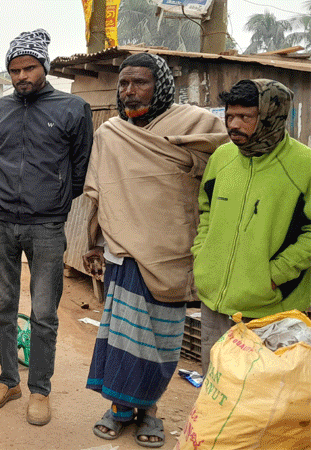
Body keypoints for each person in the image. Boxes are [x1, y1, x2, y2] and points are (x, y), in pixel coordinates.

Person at [81, 53, 229, 447]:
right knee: (121, 337)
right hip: (123, 253)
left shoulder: (198, 125)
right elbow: (99, 195)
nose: (129, 91)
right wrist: (92, 242)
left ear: (160, 85)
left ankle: (149, 411)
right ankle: (118, 410)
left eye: (140, 83)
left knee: (161, 342)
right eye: (124, 84)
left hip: (172, 253)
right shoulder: (111, 133)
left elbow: (226, 166)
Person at [0, 29, 92, 426]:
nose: (21, 76)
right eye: (14, 70)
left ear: (44, 66)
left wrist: (54, 202)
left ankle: (40, 389)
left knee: (44, 313)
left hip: (46, 226)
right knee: (1, 308)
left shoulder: (73, 109)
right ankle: (8, 380)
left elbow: (79, 170)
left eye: (29, 68)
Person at [193, 79, 311, 374]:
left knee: (260, 402)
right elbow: (206, 210)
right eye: (230, 116)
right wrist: (203, 255)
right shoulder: (222, 158)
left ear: (272, 116)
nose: (234, 125)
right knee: (215, 389)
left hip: (270, 311)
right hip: (215, 304)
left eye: (245, 117)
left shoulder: (304, 166)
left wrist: (274, 276)